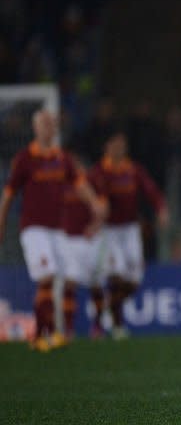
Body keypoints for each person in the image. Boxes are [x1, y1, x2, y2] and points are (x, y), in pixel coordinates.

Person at [0, 110, 105, 351]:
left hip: (58, 231)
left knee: (65, 279)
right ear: (35, 128)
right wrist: (2, 222)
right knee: (47, 277)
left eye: (51, 124)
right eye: (43, 123)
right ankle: (40, 334)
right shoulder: (25, 158)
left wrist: (94, 204)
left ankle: (54, 333)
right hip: (34, 229)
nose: (48, 127)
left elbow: (80, 185)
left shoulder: (62, 158)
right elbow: (8, 194)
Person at [92, 130, 169, 340]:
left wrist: (161, 209)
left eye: (122, 144)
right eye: (115, 144)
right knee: (116, 274)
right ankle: (117, 325)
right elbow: (93, 198)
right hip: (109, 231)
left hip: (130, 229)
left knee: (134, 280)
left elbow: (151, 191)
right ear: (106, 147)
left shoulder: (133, 170)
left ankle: (105, 312)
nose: (119, 148)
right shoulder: (99, 172)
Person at [59, 152, 110, 338]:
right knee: (70, 282)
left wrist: (95, 226)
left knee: (95, 284)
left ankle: (97, 325)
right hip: (69, 240)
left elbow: (104, 208)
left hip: (91, 239)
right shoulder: (61, 184)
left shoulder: (93, 181)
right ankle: (68, 328)